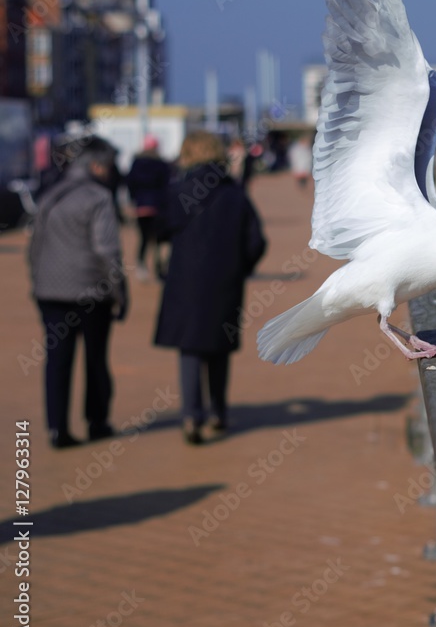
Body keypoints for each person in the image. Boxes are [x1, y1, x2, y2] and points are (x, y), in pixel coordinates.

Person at [154, 131, 267, 444]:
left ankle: (191, 415)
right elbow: (256, 241)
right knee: (219, 348)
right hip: (223, 282)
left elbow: (160, 228)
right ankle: (217, 411)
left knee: (190, 348)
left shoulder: (178, 190)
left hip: (185, 282)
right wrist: (240, 267)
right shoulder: (235, 194)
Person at [28, 137, 128, 448]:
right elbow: (106, 250)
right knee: (96, 360)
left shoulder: (51, 194)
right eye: (109, 166)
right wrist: (119, 291)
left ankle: (57, 428)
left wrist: (38, 282)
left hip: (51, 293)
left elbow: (34, 246)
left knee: (57, 361)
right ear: (97, 165)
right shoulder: (98, 197)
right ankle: (96, 421)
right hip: (90, 293)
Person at [125, 135, 172, 280]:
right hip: (159, 207)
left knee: (143, 238)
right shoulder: (162, 164)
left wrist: (134, 200)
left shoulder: (136, 163)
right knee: (159, 240)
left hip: (142, 207)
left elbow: (130, 183)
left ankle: (141, 266)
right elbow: (168, 185)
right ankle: (159, 269)